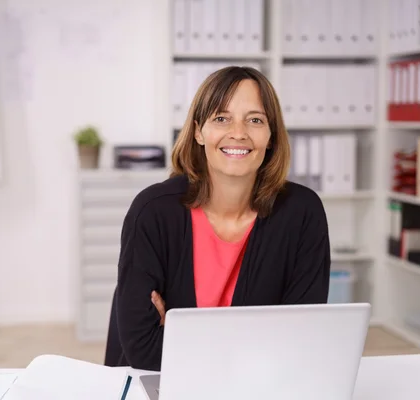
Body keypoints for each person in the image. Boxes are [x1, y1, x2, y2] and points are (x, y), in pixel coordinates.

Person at [110, 66, 331, 371]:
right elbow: (144, 349)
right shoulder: (154, 211)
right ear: (199, 131)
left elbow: (300, 342)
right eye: (221, 118)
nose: (238, 133)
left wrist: (177, 335)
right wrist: (256, 343)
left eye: (255, 120)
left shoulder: (302, 212)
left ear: (271, 136)